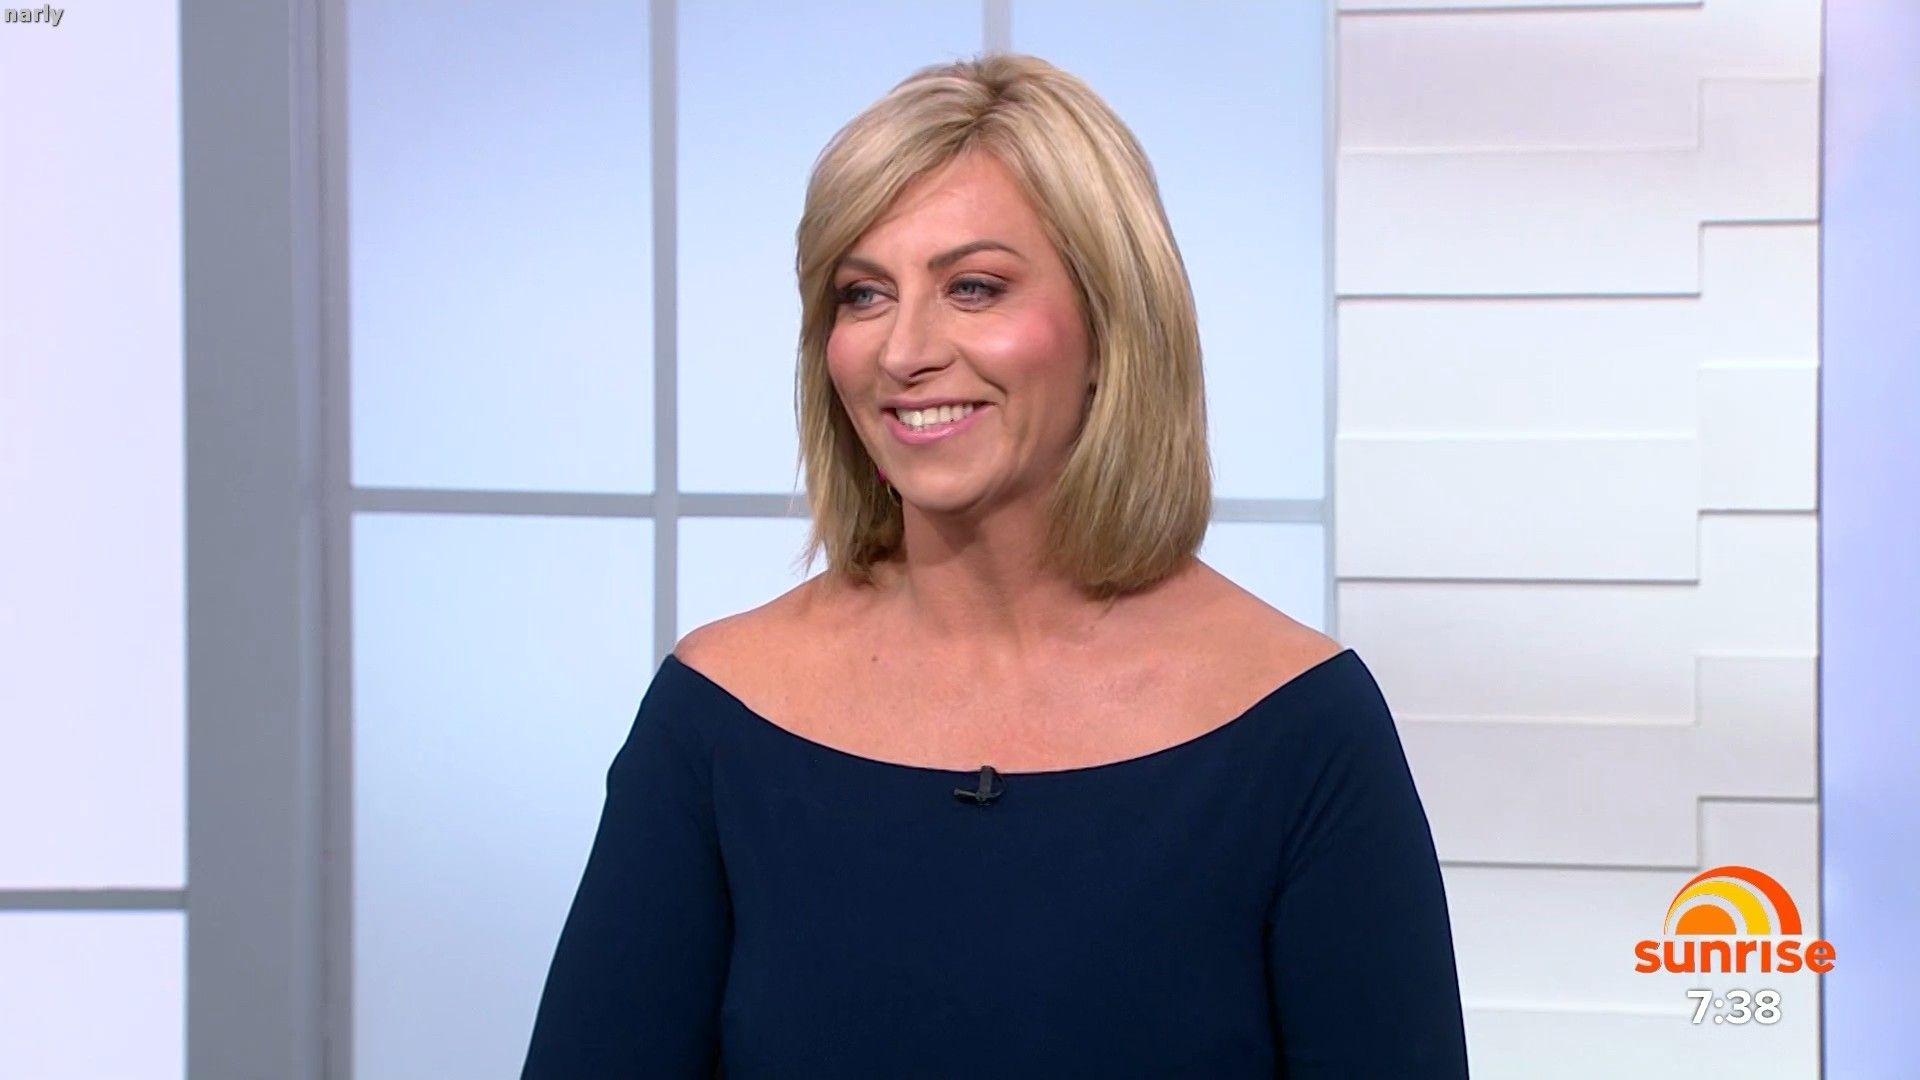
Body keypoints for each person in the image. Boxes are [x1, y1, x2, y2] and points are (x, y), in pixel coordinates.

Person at [521, 53, 1467, 1078]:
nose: (903, 351)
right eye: (863, 294)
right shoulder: (714, 716)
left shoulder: (1304, 729)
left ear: (1112, 325)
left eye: (973, 287)